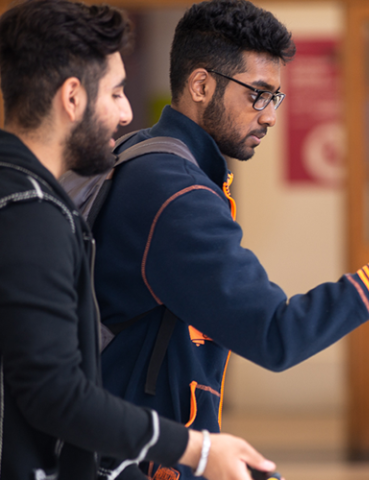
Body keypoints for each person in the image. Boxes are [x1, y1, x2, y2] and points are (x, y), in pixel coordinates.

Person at [88, 1, 369, 478]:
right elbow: (277, 335)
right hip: (134, 458)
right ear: (201, 85)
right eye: (258, 95)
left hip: (148, 445)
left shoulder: (147, 154)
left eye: (276, 98)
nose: (269, 117)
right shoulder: (175, 193)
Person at [0, 1, 276, 479]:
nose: (127, 114)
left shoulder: (28, 197)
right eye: (116, 92)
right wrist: (198, 450)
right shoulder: (30, 212)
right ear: (72, 97)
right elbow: (55, 394)